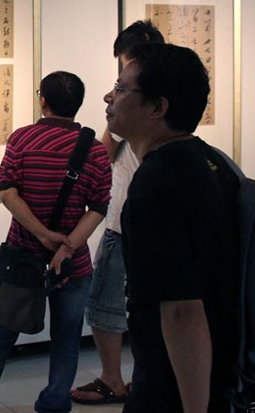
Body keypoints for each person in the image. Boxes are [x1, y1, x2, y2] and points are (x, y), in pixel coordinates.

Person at [0, 71, 112, 413]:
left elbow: (7, 191)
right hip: (71, 266)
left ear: (43, 100)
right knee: (67, 341)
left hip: (22, 258)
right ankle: (54, 403)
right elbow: (99, 207)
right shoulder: (96, 151)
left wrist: (41, 234)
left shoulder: (22, 139)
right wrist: (67, 247)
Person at [105, 43, 239, 413]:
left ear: (157, 108)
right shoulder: (213, 162)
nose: (109, 97)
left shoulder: (156, 183)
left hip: (173, 388)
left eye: (120, 88)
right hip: (221, 375)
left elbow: (182, 310)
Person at [71, 21, 164, 405]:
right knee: (153, 306)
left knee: (106, 304)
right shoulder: (162, 105)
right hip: (145, 219)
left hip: (125, 221)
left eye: (122, 77)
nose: (114, 92)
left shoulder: (133, 110)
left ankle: (113, 379)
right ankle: (147, 380)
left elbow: (102, 155)